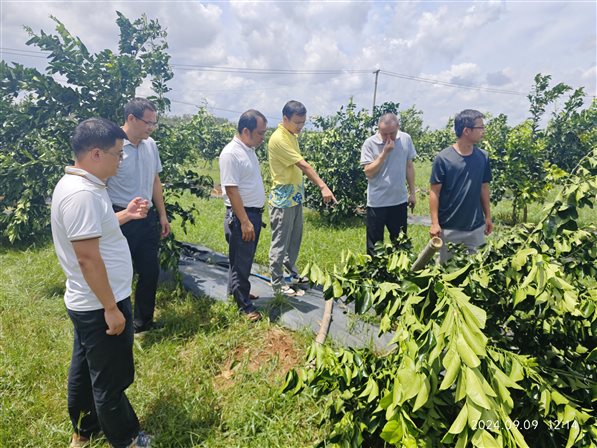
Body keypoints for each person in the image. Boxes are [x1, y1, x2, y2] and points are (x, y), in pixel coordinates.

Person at [50, 118, 152, 448]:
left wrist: (126, 215)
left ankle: (84, 430)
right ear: (96, 153)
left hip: (87, 301)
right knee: (111, 380)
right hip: (100, 304)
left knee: (84, 370)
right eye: (118, 154)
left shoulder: (85, 188)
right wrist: (111, 307)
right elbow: (88, 259)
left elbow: (97, 230)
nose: (121, 160)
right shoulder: (82, 195)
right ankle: (127, 439)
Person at [107, 98, 170, 333]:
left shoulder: (150, 145)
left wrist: (162, 215)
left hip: (147, 217)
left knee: (150, 270)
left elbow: (155, 180)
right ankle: (116, 322)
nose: (151, 127)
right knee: (120, 272)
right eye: (148, 122)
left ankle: (143, 322)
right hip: (121, 217)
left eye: (154, 123)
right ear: (131, 118)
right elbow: (101, 185)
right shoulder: (113, 147)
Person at [267, 100, 337, 296]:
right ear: (285, 119)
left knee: (294, 239)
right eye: (297, 123)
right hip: (283, 198)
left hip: (295, 196)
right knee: (280, 241)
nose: (300, 127)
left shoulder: (291, 135)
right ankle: (277, 281)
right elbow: (303, 165)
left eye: (303, 123)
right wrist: (323, 186)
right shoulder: (278, 138)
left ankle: (291, 274)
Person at [220, 110, 268, 322]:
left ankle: (238, 292)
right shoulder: (231, 153)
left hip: (251, 214)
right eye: (260, 133)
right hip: (243, 216)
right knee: (241, 261)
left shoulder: (248, 149)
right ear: (246, 130)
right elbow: (231, 190)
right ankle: (245, 307)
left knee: (241, 260)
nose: (263, 137)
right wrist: (245, 221)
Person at [429, 109, 493, 262]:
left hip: (475, 227)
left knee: (478, 271)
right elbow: (434, 192)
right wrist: (435, 223)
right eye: (480, 127)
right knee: (447, 272)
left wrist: (488, 217)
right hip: (449, 227)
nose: (483, 131)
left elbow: (484, 187)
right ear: (466, 131)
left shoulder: (482, 157)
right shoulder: (443, 158)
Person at [360, 113, 417, 255]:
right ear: (379, 129)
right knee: (375, 245)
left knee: (400, 242)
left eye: (392, 133)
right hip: (377, 201)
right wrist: (384, 153)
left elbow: (409, 166)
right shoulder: (370, 143)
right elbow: (368, 172)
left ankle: (399, 271)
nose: (388, 137)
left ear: (398, 127)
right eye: (384, 134)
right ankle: (375, 273)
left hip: (399, 199)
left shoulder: (405, 139)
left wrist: (412, 193)